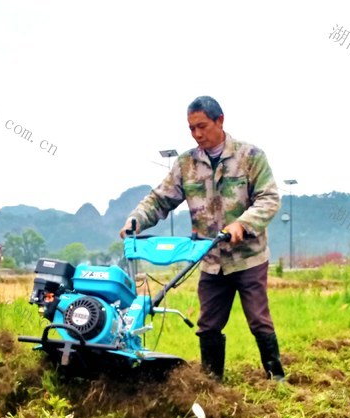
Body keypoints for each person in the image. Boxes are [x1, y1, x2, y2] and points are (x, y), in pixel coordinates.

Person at [120, 95, 285, 382]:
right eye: (191, 129)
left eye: (202, 126)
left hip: (248, 257)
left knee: (258, 320)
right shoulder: (186, 164)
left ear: (220, 121)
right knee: (208, 324)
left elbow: (269, 199)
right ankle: (211, 383)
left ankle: (276, 377)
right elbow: (160, 199)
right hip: (209, 258)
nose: (197, 134)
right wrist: (136, 220)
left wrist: (242, 225)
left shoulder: (250, 156)